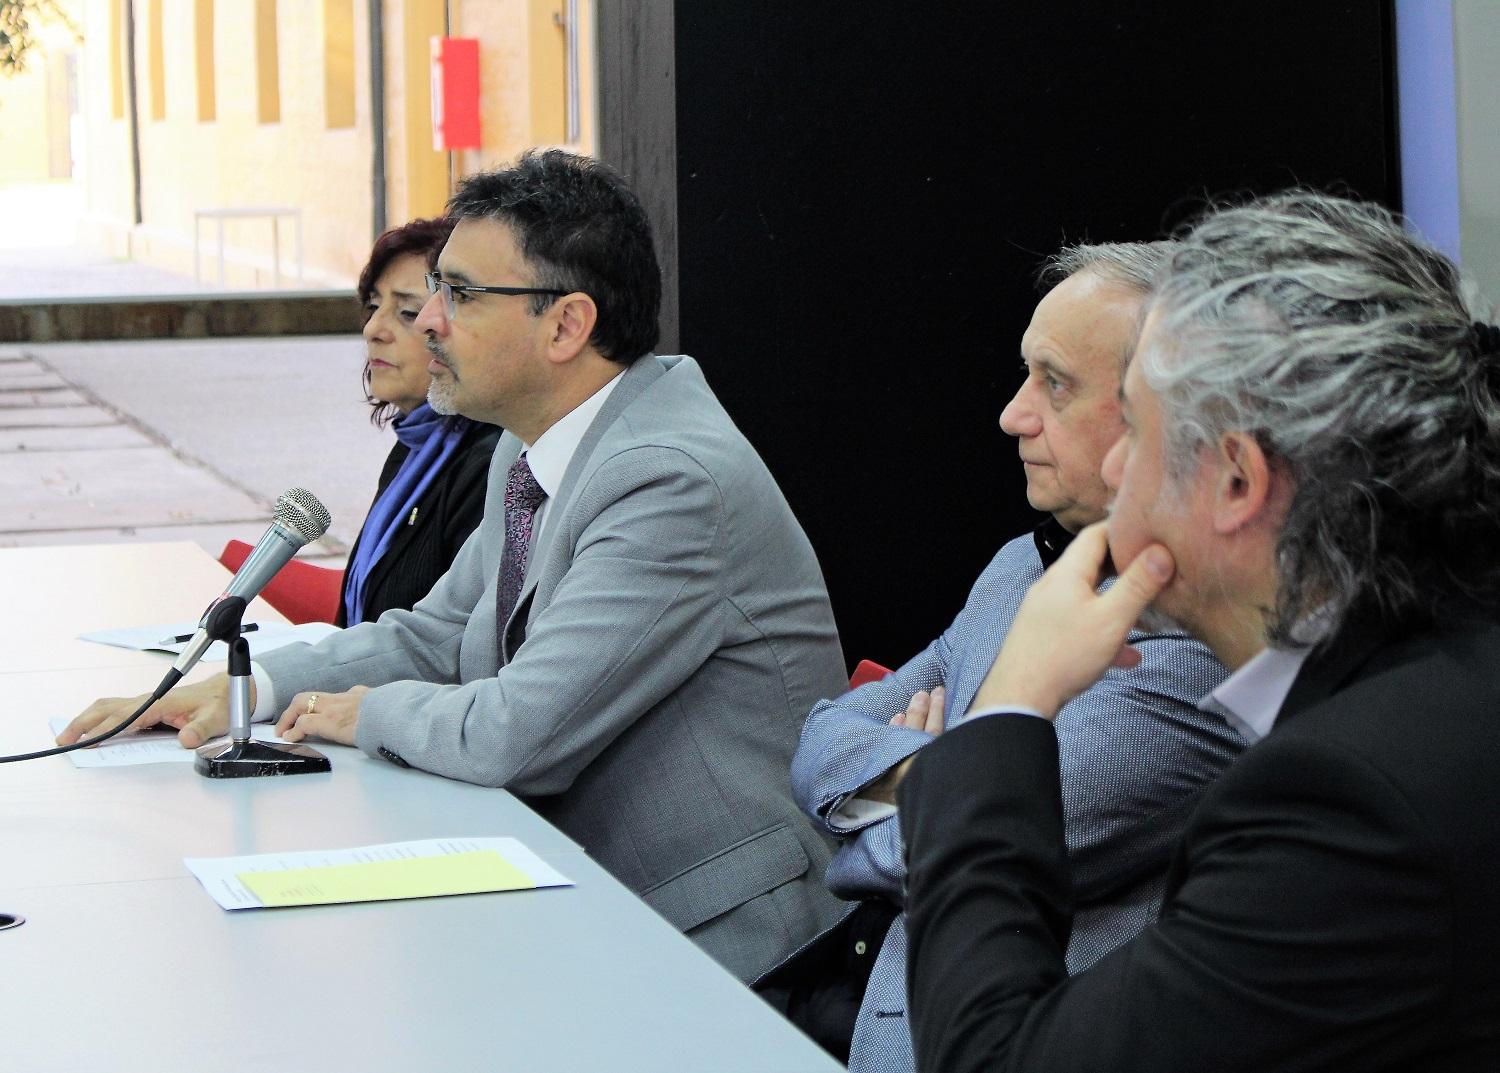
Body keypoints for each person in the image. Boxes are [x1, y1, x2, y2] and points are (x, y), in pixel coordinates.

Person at [61, 149, 848, 984]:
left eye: (461, 294)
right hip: (590, 893)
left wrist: (356, 712)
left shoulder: (667, 477)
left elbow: (519, 733)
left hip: (727, 942)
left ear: (566, 325)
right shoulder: (534, 440)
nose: (428, 318)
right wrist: (249, 689)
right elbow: (437, 632)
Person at [899, 192, 1500, 1071]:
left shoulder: (1347, 803)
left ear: (1235, 481)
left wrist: (1010, 705)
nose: (1110, 467)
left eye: (1135, 427)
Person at [762, 243, 1244, 1069]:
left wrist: (930, 763)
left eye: (1055, 383)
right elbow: (815, 745)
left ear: (1164, 415)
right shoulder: (1022, 565)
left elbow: (930, 851)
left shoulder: (1199, 649)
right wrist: (948, 769)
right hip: (864, 1005)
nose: (1013, 415)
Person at [340, 216, 502, 626]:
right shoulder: (416, 443)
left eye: (408, 312)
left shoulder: (490, 461)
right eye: (375, 306)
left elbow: (451, 642)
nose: (374, 329)